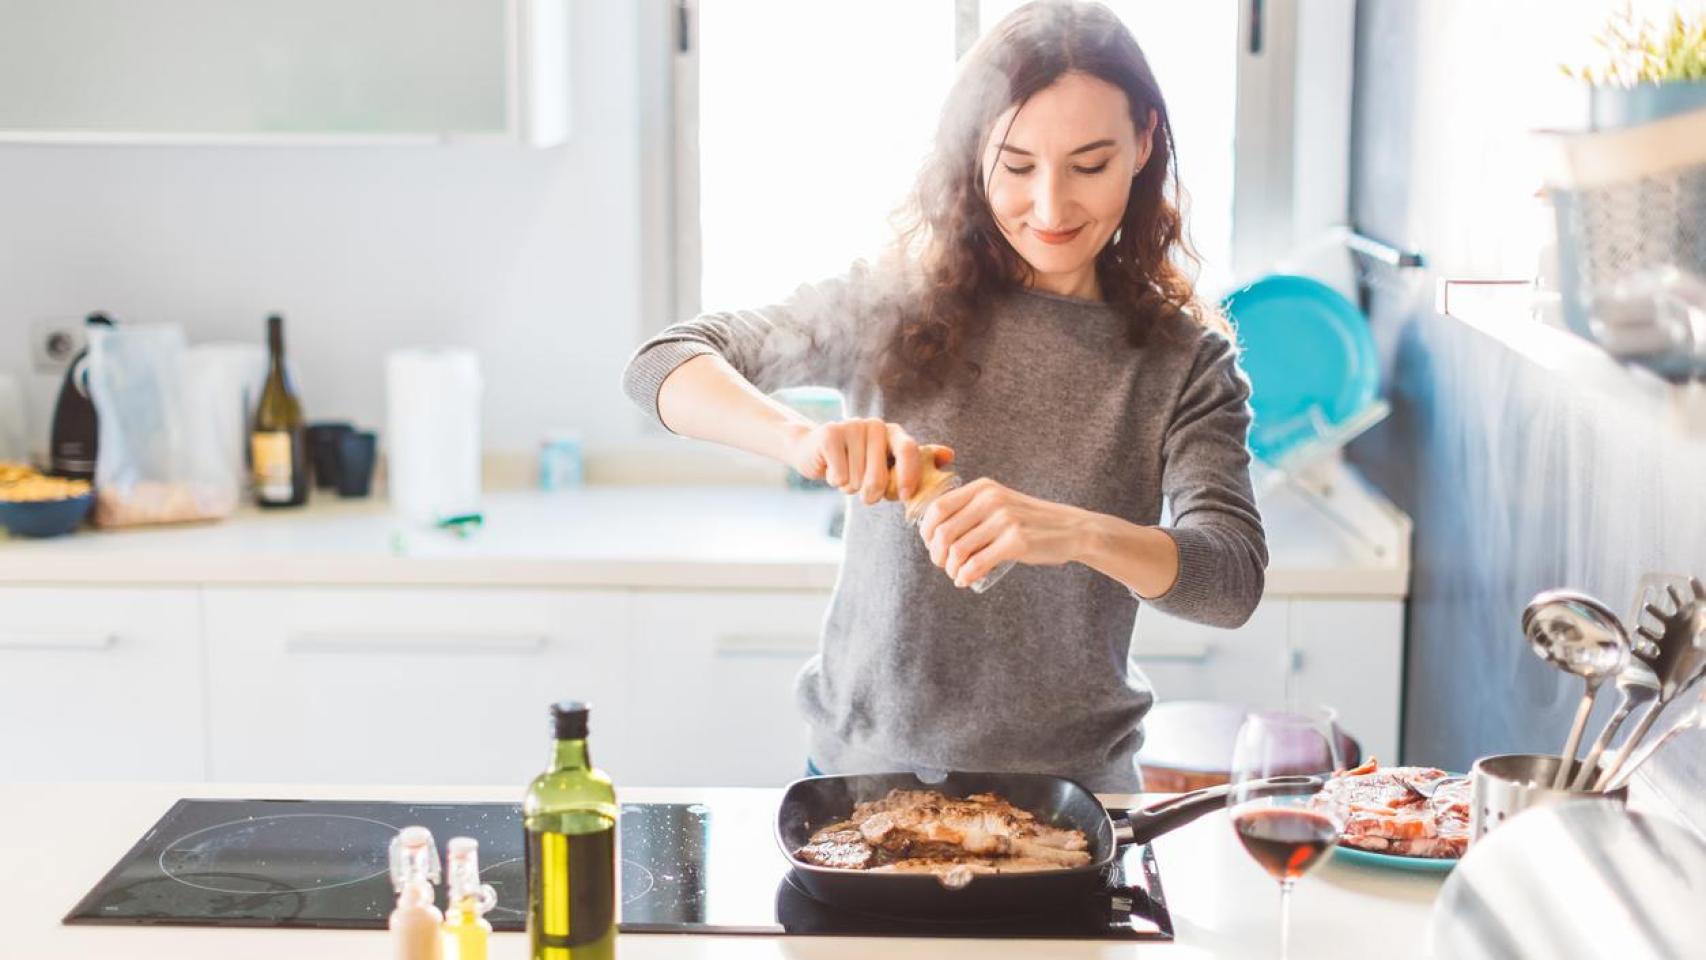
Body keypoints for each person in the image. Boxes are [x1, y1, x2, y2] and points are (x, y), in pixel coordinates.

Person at [621, 0, 1266, 791]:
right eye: (1017, 165)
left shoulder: (1183, 362)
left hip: (1078, 799)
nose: (1052, 208)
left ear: (1144, 143)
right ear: (972, 154)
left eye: (1089, 165)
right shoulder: (894, 308)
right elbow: (662, 364)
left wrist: (1076, 533)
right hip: (861, 783)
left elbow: (1231, 580)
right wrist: (806, 442)